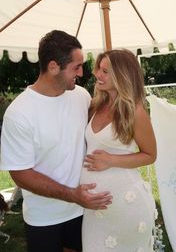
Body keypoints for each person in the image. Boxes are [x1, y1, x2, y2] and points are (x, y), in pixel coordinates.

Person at [0, 30, 112, 252]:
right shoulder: (19, 113)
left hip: (83, 210)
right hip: (44, 218)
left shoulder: (81, 96)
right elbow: (20, 174)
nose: (82, 72)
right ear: (53, 67)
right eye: (76, 67)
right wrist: (72, 195)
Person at [80, 49, 157, 252]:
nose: (97, 74)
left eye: (105, 71)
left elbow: (150, 155)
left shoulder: (135, 111)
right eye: (99, 68)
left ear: (122, 76)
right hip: (94, 211)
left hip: (127, 207)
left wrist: (111, 160)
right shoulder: (95, 105)